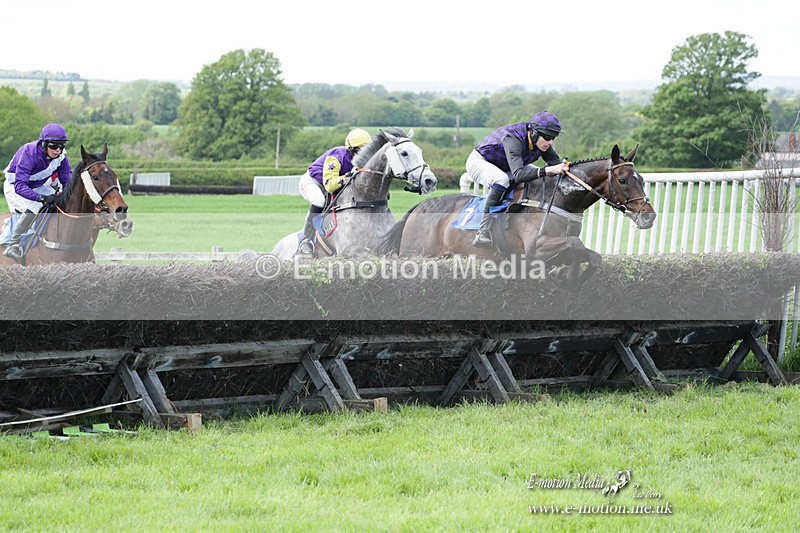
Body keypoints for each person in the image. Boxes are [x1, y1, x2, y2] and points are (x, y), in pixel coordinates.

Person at [467, 111, 571, 247]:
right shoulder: (513, 138)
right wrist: (548, 170)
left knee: (537, 175)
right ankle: (483, 231)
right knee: (502, 179)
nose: (550, 142)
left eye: (553, 137)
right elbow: (518, 175)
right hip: (480, 162)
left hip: (508, 166)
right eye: (547, 137)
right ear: (533, 132)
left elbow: (556, 165)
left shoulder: (541, 141)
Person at [2, 123, 72, 261]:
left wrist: (66, 195)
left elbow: (67, 182)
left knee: (60, 204)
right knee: (35, 207)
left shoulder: (61, 157)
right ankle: (13, 244)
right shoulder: (28, 153)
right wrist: (41, 198)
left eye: (61, 146)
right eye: (54, 146)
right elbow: (20, 186)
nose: (58, 150)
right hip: (15, 187)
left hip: (38, 186)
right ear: (44, 143)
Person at [296, 128, 372, 255]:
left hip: (331, 184)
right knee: (319, 201)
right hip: (313, 182)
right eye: (360, 150)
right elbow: (330, 186)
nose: (364, 154)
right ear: (351, 149)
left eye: (367, 150)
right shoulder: (337, 156)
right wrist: (348, 176)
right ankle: (306, 240)